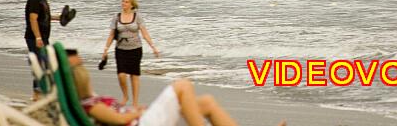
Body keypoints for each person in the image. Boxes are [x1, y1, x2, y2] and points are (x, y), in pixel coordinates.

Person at [69, 51, 286, 126]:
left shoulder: (91, 99)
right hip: (143, 123)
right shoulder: (89, 105)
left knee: (208, 102)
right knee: (182, 86)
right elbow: (117, 120)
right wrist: (139, 111)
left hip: (145, 120)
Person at [102, 0, 160, 107]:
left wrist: (153, 47)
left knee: (134, 75)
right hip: (121, 49)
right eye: (123, 1)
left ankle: (135, 102)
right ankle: (125, 96)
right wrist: (105, 49)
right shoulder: (116, 17)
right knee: (121, 75)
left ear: (132, 4)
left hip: (135, 49)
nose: (123, 3)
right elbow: (111, 35)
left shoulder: (137, 16)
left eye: (126, 2)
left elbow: (144, 33)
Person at [24, 0, 60, 100]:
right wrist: (38, 38)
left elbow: (43, 16)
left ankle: (42, 91)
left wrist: (58, 17)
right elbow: (33, 19)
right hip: (35, 38)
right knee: (39, 64)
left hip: (43, 37)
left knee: (46, 63)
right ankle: (36, 93)